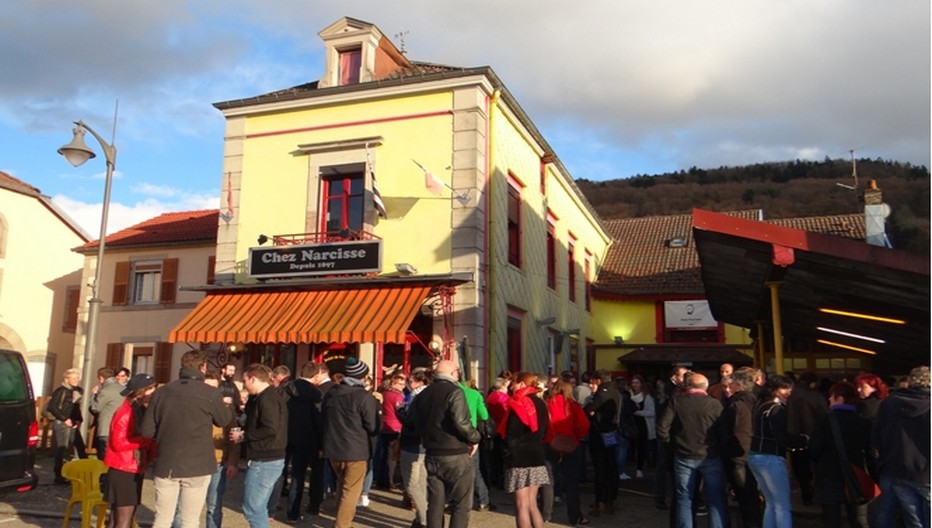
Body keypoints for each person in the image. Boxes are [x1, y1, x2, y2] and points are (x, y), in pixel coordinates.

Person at [140, 350, 233, 528]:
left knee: (162, 518)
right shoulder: (210, 393)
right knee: (190, 520)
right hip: (198, 463)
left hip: (167, 461)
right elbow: (223, 420)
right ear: (203, 367)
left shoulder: (161, 392)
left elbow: (147, 431)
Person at [411, 359, 481, 528]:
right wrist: (475, 437)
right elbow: (461, 423)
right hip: (455, 452)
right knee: (461, 504)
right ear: (452, 373)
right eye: (457, 370)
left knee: (435, 503)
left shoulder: (423, 394)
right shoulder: (455, 392)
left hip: (432, 452)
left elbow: (413, 421)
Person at [657, 372, 728, 528]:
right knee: (715, 499)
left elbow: (662, 428)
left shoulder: (677, 402)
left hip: (684, 455)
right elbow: (724, 433)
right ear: (705, 387)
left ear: (689, 386)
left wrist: (673, 445)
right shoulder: (715, 404)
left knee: (685, 499)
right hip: (710, 455)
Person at [321, 357, 379, 528]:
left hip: (333, 447)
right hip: (355, 449)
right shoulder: (363, 397)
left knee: (342, 484)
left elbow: (323, 419)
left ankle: (342, 519)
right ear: (363, 377)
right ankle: (342, 524)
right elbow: (372, 425)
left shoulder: (332, 393)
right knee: (351, 490)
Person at [229, 364, 287, 528]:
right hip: (267, 457)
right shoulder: (264, 397)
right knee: (257, 507)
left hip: (266, 459)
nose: (244, 385)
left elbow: (271, 428)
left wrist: (244, 435)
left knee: (252, 508)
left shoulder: (268, 398)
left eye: (245, 380)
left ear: (253, 379)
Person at [746, 375, 808, 528]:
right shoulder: (776, 409)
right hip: (770, 457)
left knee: (771, 503)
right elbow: (781, 436)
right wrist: (804, 440)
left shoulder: (761, 405)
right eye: (784, 388)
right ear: (774, 389)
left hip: (755, 456)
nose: (788, 392)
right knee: (782, 505)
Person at [872, 366, 930, 528]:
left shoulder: (888, 403)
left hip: (898, 470)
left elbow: (876, 437)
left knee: (914, 521)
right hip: (927, 472)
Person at [808, 381, 871, 527]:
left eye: (832, 396)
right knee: (856, 517)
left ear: (840, 397)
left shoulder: (824, 421)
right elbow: (871, 452)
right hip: (855, 474)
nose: (829, 399)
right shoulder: (864, 422)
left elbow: (814, 448)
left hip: (828, 474)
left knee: (831, 518)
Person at [103, 373, 157, 528]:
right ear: (140, 391)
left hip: (130, 466)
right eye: (150, 389)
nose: (153, 393)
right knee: (122, 519)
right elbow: (119, 442)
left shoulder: (138, 409)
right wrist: (145, 441)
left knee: (117, 518)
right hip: (124, 468)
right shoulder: (126, 411)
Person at [498, 372, 550, 528]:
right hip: (537, 454)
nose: (511, 387)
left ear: (521, 384)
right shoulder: (541, 403)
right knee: (532, 504)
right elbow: (546, 429)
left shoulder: (518, 403)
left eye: (513, 383)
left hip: (519, 457)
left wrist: (508, 451)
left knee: (521, 506)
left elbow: (512, 434)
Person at [720, 367, 762, 528]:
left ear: (738, 384)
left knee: (745, 497)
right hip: (755, 451)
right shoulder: (757, 400)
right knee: (752, 496)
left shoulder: (736, 405)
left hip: (738, 456)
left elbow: (725, 433)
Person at [545, 376, 590, 526]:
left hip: (551, 444)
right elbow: (584, 425)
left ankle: (546, 514)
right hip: (571, 445)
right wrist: (576, 437)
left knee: (549, 482)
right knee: (571, 484)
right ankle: (574, 516)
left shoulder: (548, 403)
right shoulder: (573, 405)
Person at [283, 363, 322, 523]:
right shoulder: (315, 394)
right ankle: (293, 512)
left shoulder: (285, 389)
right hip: (306, 438)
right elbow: (318, 419)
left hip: (285, 435)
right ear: (315, 375)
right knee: (298, 475)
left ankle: (270, 508)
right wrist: (321, 442)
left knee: (279, 471)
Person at [201, 369, 240, 528]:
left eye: (214, 388)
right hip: (195, 462)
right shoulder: (194, 405)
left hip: (218, 461)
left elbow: (235, 434)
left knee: (214, 505)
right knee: (186, 507)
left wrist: (233, 462)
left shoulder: (226, 408)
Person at [786, 371, 828, 506]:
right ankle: (818, 494)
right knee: (817, 468)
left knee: (801, 469)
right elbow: (826, 416)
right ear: (813, 383)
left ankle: (806, 496)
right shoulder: (815, 396)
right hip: (814, 436)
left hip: (794, 437)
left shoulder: (789, 396)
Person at [397, 367, 431, 528]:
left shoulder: (414, 398)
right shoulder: (429, 395)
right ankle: (420, 518)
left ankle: (424, 519)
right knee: (421, 483)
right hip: (425, 445)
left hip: (412, 444)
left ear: (420, 382)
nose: (407, 384)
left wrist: (400, 412)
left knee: (411, 484)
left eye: (410, 381)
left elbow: (411, 423)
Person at [584, 369, 621, 516]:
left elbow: (588, 410)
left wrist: (592, 411)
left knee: (600, 469)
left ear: (598, 380)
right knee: (612, 466)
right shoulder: (616, 392)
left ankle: (600, 501)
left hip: (599, 434)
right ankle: (612, 499)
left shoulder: (601, 393)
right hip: (611, 432)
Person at [49, 368, 88, 484]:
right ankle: (59, 475)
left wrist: (78, 420)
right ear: (67, 379)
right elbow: (52, 407)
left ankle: (87, 472)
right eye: (74, 378)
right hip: (62, 422)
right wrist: (64, 419)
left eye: (78, 378)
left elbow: (75, 408)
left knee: (80, 446)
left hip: (73, 422)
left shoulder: (77, 391)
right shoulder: (61, 391)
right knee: (62, 448)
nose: (77, 380)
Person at [460, 375, 493, 511]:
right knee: (474, 470)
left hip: (451, 435)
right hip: (469, 432)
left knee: (454, 471)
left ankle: (454, 502)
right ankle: (483, 501)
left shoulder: (452, 391)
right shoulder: (475, 394)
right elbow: (484, 415)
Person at [90, 367, 129, 461]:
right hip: (122, 428)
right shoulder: (125, 389)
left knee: (105, 458)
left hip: (106, 428)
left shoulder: (106, 390)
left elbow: (95, 408)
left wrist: (93, 396)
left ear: (101, 378)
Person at [375, 371, 406, 490]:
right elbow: (400, 412)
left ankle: (381, 480)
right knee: (392, 456)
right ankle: (390, 480)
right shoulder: (398, 396)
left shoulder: (385, 393)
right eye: (400, 384)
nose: (402, 386)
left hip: (384, 426)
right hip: (395, 427)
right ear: (394, 383)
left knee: (384, 454)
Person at [485, 374, 511, 489]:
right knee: (504, 455)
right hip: (504, 428)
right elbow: (508, 412)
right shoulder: (504, 398)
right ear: (502, 387)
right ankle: (504, 480)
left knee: (496, 454)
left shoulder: (490, 397)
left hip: (494, 428)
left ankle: (495, 478)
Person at [630, 374, 656, 479]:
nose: (635, 385)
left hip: (642, 425)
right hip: (630, 424)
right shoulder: (628, 395)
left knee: (642, 447)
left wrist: (637, 412)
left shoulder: (647, 397)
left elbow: (652, 412)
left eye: (637, 383)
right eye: (633, 383)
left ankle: (639, 468)